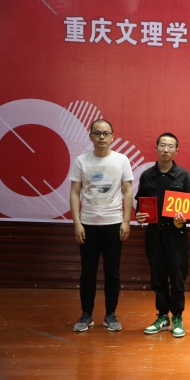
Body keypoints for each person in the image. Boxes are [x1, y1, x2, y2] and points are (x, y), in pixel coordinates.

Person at [68, 119, 134, 332]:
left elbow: (127, 191)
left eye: (106, 133)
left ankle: (110, 315)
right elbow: (74, 192)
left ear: (112, 136)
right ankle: (86, 314)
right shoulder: (81, 161)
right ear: (91, 137)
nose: (102, 137)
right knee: (88, 272)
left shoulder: (121, 160)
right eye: (97, 133)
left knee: (112, 273)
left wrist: (126, 221)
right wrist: (77, 223)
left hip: (113, 223)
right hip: (87, 224)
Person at [135, 133, 190, 338]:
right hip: (154, 234)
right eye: (162, 145)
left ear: (176, 150)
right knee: (157, 276)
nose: (166, 149)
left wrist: (185, 217)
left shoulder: (183, 175)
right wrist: (139, 215)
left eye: (170, 146)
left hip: (176, 235)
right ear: (156, 148)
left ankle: (177, 316)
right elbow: (141, 205)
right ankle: (162, 316)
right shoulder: (146, 176)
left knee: (177, 277)